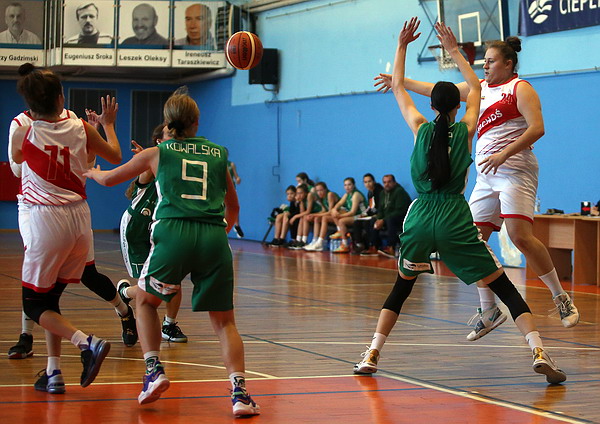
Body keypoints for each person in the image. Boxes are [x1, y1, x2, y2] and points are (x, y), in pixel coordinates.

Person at [354, 19, 566, 385]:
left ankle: (372, 352)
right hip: (454, 217)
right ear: (460, 105)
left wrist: (402, 47)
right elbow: (475, 87)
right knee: (505, 287)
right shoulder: (467, 129)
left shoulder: (419, 128)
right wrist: (454, 51)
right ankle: (538, 351)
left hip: (421, 218)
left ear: (431, 105)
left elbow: (400, 87)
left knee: (401, 290)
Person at [84, 93, 260, 416]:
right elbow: (233, 207)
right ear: (197, 123)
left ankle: (154, 370)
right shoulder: (219, 154)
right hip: (213, 235)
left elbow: (109, 179)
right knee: (225, 323)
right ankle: (240, 394)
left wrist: (92, 172)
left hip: (173, 233)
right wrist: (216, 235)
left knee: (145, 302)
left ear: (167, 123)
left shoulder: (157, 152)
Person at [11, 64, 122, 393]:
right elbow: (114, 155)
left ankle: (87, 343)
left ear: (29, 104)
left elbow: (17, 164)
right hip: (80, 218)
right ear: (61, 98)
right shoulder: (81, 127)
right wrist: (108, 125)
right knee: (51, 299)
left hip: (46, 219)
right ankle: (53, 372)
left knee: (34, 305)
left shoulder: (22, 130)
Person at [116, 124, 188, 344]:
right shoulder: (152, 163)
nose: (176, 137)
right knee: (150, 289)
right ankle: (124, 293)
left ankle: (169, 325)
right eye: (170, 134)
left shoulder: (182, 165)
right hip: (137, 230)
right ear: (159, 141)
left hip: (163, 229)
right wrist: (144, 157)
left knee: (173, 281)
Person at [372, 174, 411, 258]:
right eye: (384, 182)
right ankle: (374, 247)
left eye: (389, 182)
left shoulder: (399, 192)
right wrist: (379, 219)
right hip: (388, 218)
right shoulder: (383, 193)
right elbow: (380, 210)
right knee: (373, 220)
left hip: (402, 219)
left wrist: (383, 220)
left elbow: (400, 210)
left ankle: (391, 248)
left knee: (390, 220)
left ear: (394, 182)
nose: (387, 184)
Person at [329, 177, 367, 253]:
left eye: (349, 185)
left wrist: (339, 216)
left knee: (341, 221)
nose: (347, 187)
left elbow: (353, 212)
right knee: (334, 213)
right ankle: (340, 231)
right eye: (345, 185)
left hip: (361, 216)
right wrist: (334, 209)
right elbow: (339, 203)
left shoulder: (356, 195)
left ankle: (345, 245)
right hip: (354, 215)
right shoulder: (347, 194)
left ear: (354, 185)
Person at [304, 181, 340, 251]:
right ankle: (315, 240)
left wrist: (314, 214)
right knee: (317, 219)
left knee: (324, 218)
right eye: (317, 191)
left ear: (325, 189)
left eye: (321, 190)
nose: (319, 192)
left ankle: (320, 242)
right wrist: (312, 215)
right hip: (333, 217)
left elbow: (330, 212)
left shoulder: (330, 194)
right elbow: (323, 210)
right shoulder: (322, 198)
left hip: (339, 215)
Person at [352, 173, 383, 254]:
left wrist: (377, 215)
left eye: (369, 181)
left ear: (374, 181)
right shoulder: (370, 192)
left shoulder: (379, 191)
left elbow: (381, 206)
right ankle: (359, 245)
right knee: (356, 222)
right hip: (372, 215)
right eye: (365, 182)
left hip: (379, 215)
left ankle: (373, 246)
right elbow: (370, 207)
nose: (368, 184)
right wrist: (364, 214)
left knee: (367, 223)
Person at [287, 183, 321, 249]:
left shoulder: (309, 195)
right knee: (302, 218)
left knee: (304, 217)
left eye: (301, 193)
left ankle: (304, 240)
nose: (299, 195)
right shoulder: (302, 199)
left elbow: (308, 211)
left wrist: (295, 217)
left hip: (319, 212)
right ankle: (298, 240)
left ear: (305, 193)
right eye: (297, 193)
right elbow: (302, 212)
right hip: (312, 214)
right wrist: (300, 201)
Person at [225, 148, 244, 237]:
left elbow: (236, 176)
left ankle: (237, 225)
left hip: (231, 189)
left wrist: (238, 179)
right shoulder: (217, 164)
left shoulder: (231, 164)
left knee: (234, 206)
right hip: (221, 189)